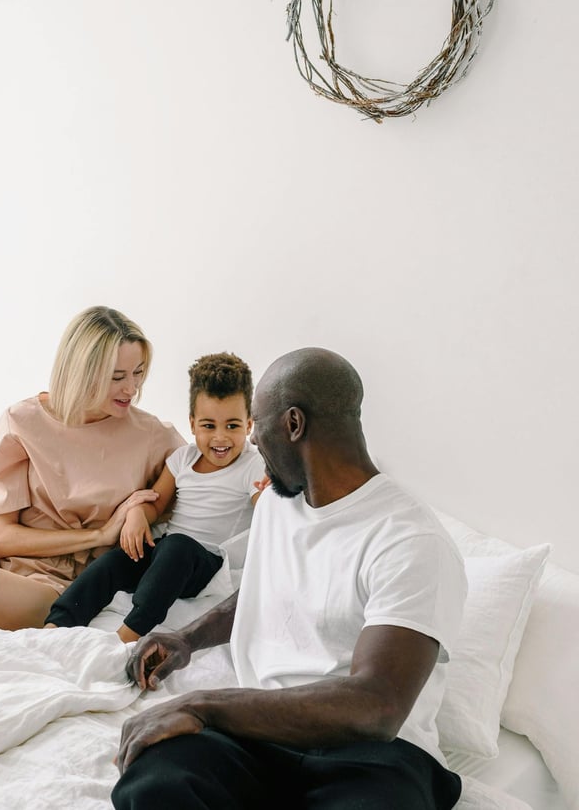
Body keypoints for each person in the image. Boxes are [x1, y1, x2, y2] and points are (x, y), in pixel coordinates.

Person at [112, 347, 467, 810]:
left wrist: (202, 705)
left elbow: (376, 706)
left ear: (294, 424)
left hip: (373, 758)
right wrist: (186, 639)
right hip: (259, 733)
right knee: (154, 780)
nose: (254, 442)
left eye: (257, 423)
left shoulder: (410, 540)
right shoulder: (280, 503)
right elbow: (264, 590)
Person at [0, 306, 185, 630]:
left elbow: (197, 468)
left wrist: (141, 513)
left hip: (58, 578)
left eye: (138, 372)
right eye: (117, 377)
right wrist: (98, 534)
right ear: (82, 372)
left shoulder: (149, 434)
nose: (132, 388)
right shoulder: (22, 421)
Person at [44, 352, 267, 642]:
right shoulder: (182, 459)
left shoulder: (253, 464)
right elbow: (156, 502)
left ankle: (129, 633)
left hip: (207, 563)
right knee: (115, 562)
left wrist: (271, 490)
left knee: (176, 546)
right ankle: (56, 625)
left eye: (233, 426)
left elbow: (266, 510)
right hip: (168, 557)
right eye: (209, 426)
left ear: (249, 425)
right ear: (192, 423)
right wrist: (137, 514)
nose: (220, 438)